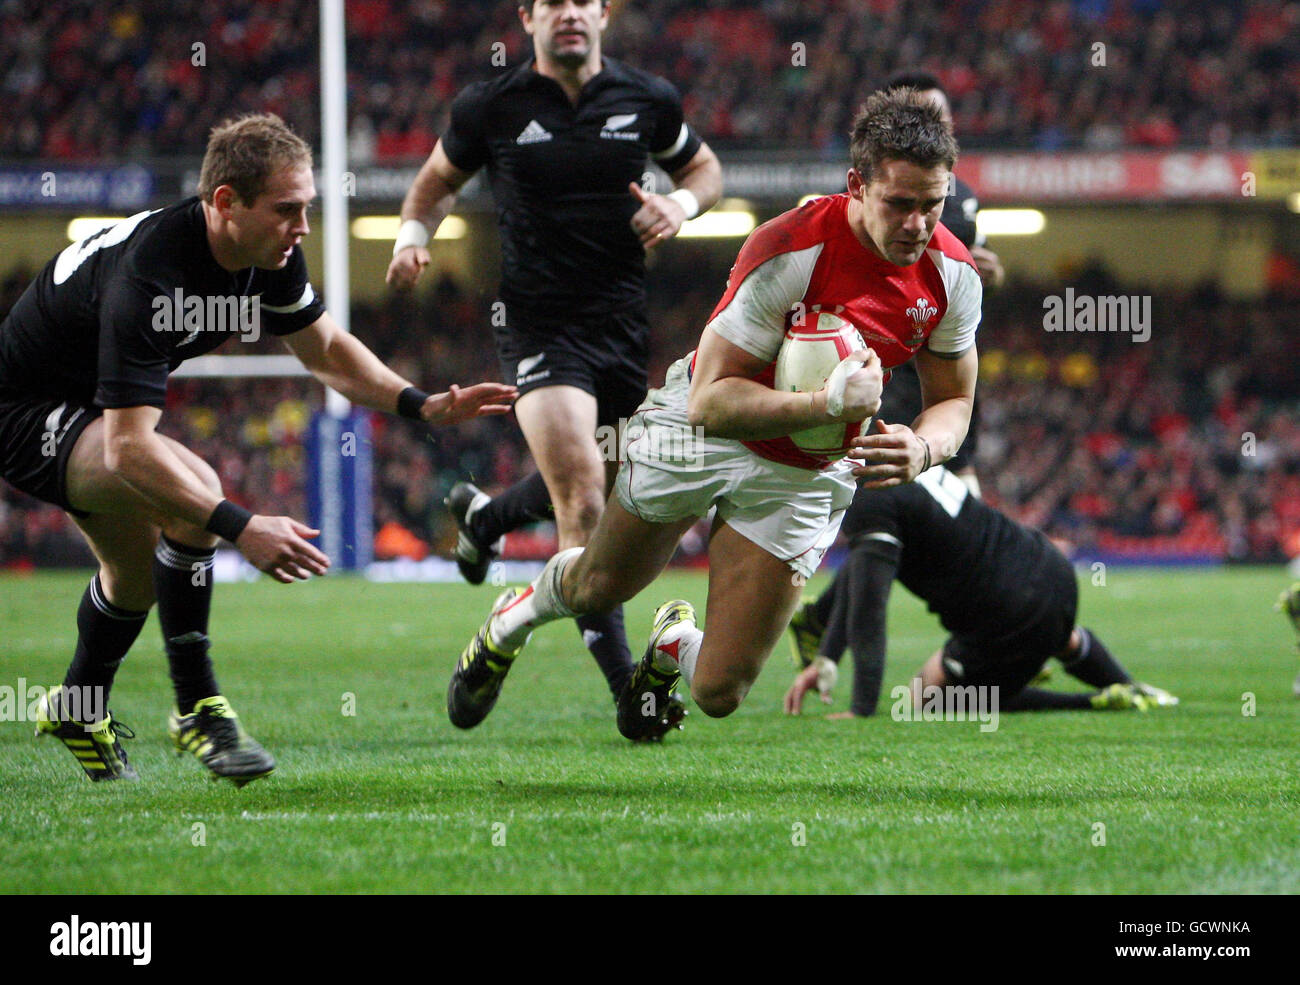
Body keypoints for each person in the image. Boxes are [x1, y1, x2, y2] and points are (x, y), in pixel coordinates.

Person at [447, 88, 981, 739]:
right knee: (598, 587)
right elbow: (709, 404)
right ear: (856, 186)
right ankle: (509, 624)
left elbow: (954, 400)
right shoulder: (789, 251)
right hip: (697, 437)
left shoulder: (952, 274)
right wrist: (824, 404)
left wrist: (922, 450)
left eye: (933, 204)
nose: (918, 225)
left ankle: (672, 646)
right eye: (900, 204)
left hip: (808, 471)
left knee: (721, 691)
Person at [0, 113, 515, 784]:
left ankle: (78, 702)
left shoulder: (264, 254)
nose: (302, 226)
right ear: (225, 203)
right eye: (288, 210)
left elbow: (325, 349)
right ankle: (198, 709)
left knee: (131, 577)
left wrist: (422, 403)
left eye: (305, 207)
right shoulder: (150, 280)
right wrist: (242, 527)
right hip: (23, 412)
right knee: (195, 494)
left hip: (89, 409)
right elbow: (128, 450)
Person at [387, 0, 722, 726]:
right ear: (528, 17)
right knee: (585, 506)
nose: (568, 12)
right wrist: (411, 236)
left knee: (615, 484)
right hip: (538, 328)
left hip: (621, 329)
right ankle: (627, 694)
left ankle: (487, 517)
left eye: (583, 1)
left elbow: (704, 168)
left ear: (605, 14)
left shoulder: (647, 98)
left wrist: (683, 207)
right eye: (551, 2)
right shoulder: (492, 105)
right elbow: (434, 183)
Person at [782, 464, 1178, 718]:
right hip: (1049, 568)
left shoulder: (868, 492)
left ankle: (1090, 703)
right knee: (1054, 637)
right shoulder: (904, 444)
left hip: (1010, 613)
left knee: (922, 699)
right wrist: (827, 659)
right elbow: (861, 573)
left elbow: (869, 606)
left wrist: (861, 709)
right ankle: (1127, 687)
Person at [879, 71, 1003, 497]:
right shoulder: (871, 190)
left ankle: (968, 553)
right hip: (890, 361)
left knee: (960, 465)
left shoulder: (964, 196)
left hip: (949, 352)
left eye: (941, 114)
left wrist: (992, 271)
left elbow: (982, 262)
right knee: (889, 477)